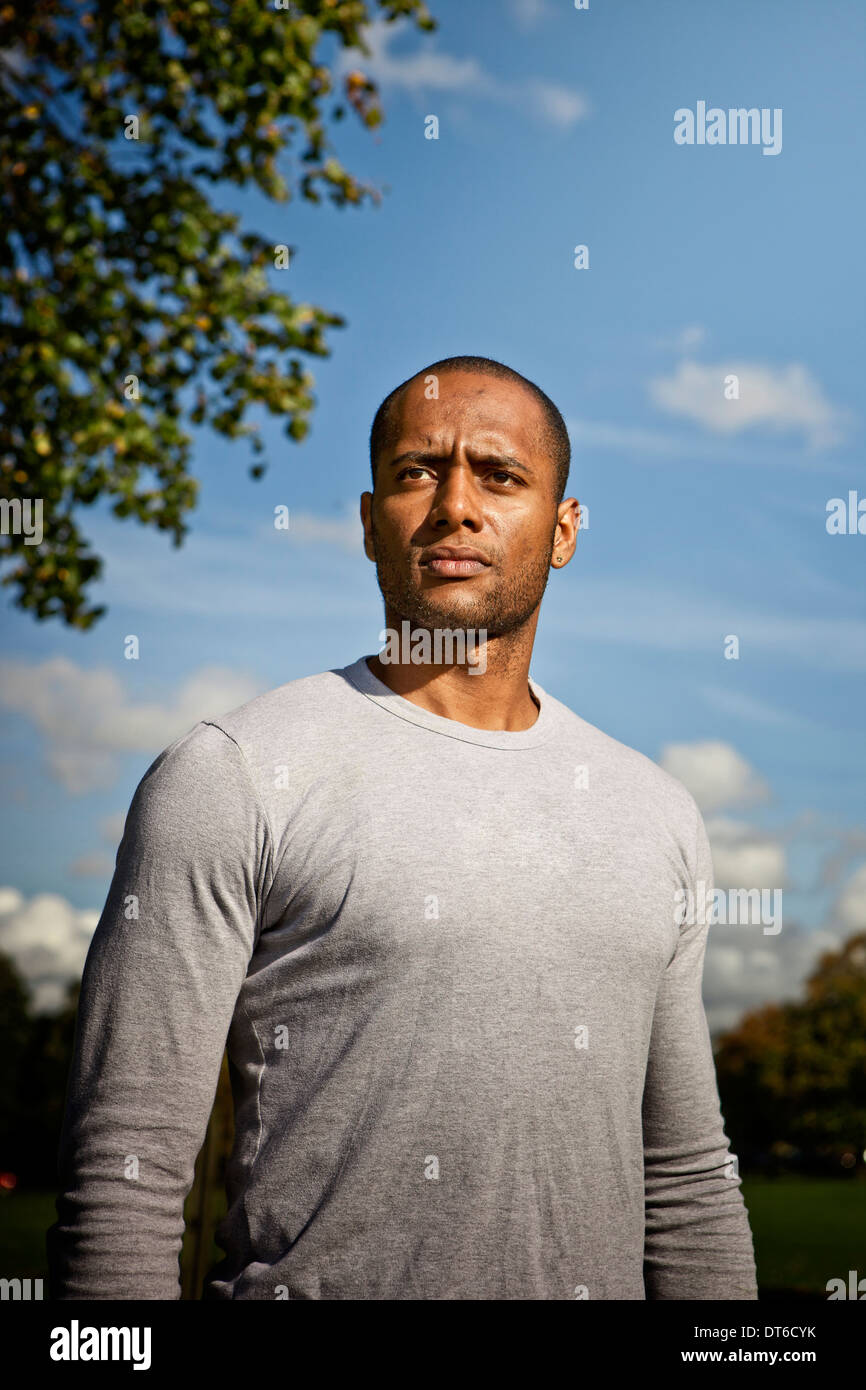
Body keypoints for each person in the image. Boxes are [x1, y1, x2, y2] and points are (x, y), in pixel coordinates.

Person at [48, 354, 758, 1300]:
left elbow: (687, 1181)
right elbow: (121, 1179)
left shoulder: (656, 812)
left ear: (565, 530)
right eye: (416, 472)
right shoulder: (231, 773)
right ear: (368, 523)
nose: (454, 505)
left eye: (501, 477)